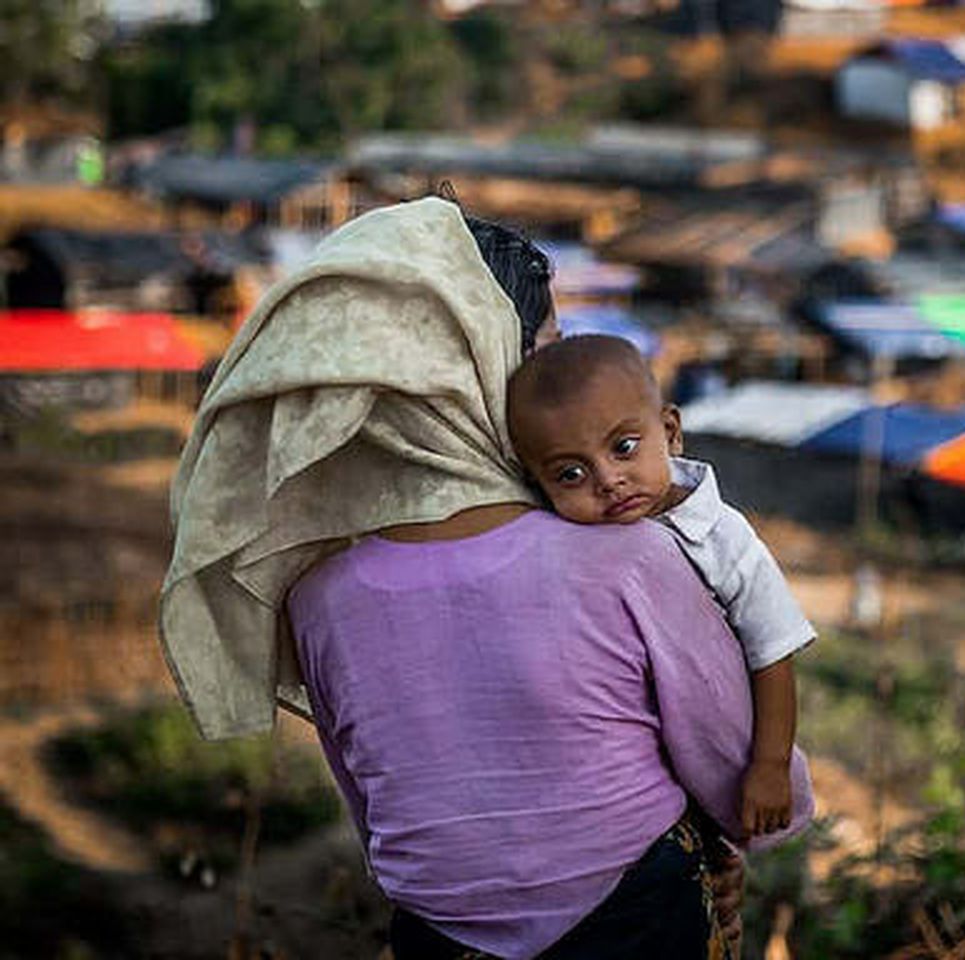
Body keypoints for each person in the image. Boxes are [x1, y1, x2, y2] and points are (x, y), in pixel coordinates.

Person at [160, 196, 812, 959]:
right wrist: (730, 840)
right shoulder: (624, 554)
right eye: (540, 353)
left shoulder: (317, 599)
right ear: (472, 366)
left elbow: (377, 804)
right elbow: (727, 753)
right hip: (632, 914)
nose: (560, 384)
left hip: (437, 934)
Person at [506, 335, 813, 837]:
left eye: (624, 448)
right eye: (571, 473)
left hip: (724, 757)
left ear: (670, 432)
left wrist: (771, 765)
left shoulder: (722, 537)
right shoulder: (563, 546)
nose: (608, 480)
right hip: (627, 767)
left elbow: (774, 651)